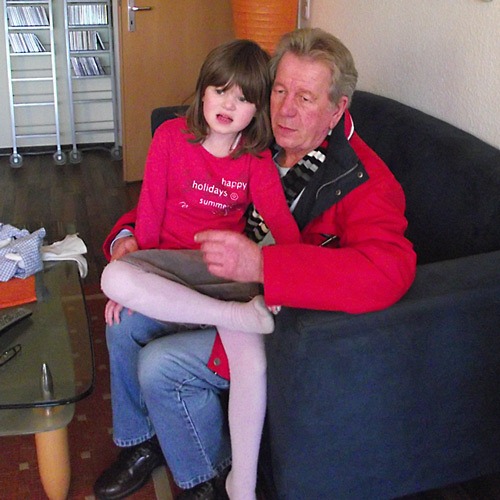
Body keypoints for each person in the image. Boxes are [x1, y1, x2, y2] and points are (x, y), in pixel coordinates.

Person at [94, 28, 417, 500]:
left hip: (272, 315)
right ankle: (144, 443)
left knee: (160, 366)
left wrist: (267, 267)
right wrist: (128, 239)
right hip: (207, 277)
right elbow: (188, 201)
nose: (285, 109)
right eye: (280, 90)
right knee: (122, 324)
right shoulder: (255, 137)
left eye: (305, 98)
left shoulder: (361, 180)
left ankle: (208, 477)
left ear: (337, 110)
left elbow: (388, 272)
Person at [99, 38, 300, 500]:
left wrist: (289, 277)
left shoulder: (254, 159)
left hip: (218, 276)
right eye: (220, 91)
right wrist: (136, 282)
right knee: (120, 323)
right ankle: (140, 442)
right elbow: (149, 214)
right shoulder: (171, 137)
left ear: (257, 111)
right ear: (203, 91)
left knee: (236, 332)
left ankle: (225, 477)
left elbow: (282, 223)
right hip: (166, 267)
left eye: (243, 98)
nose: (228, 105)